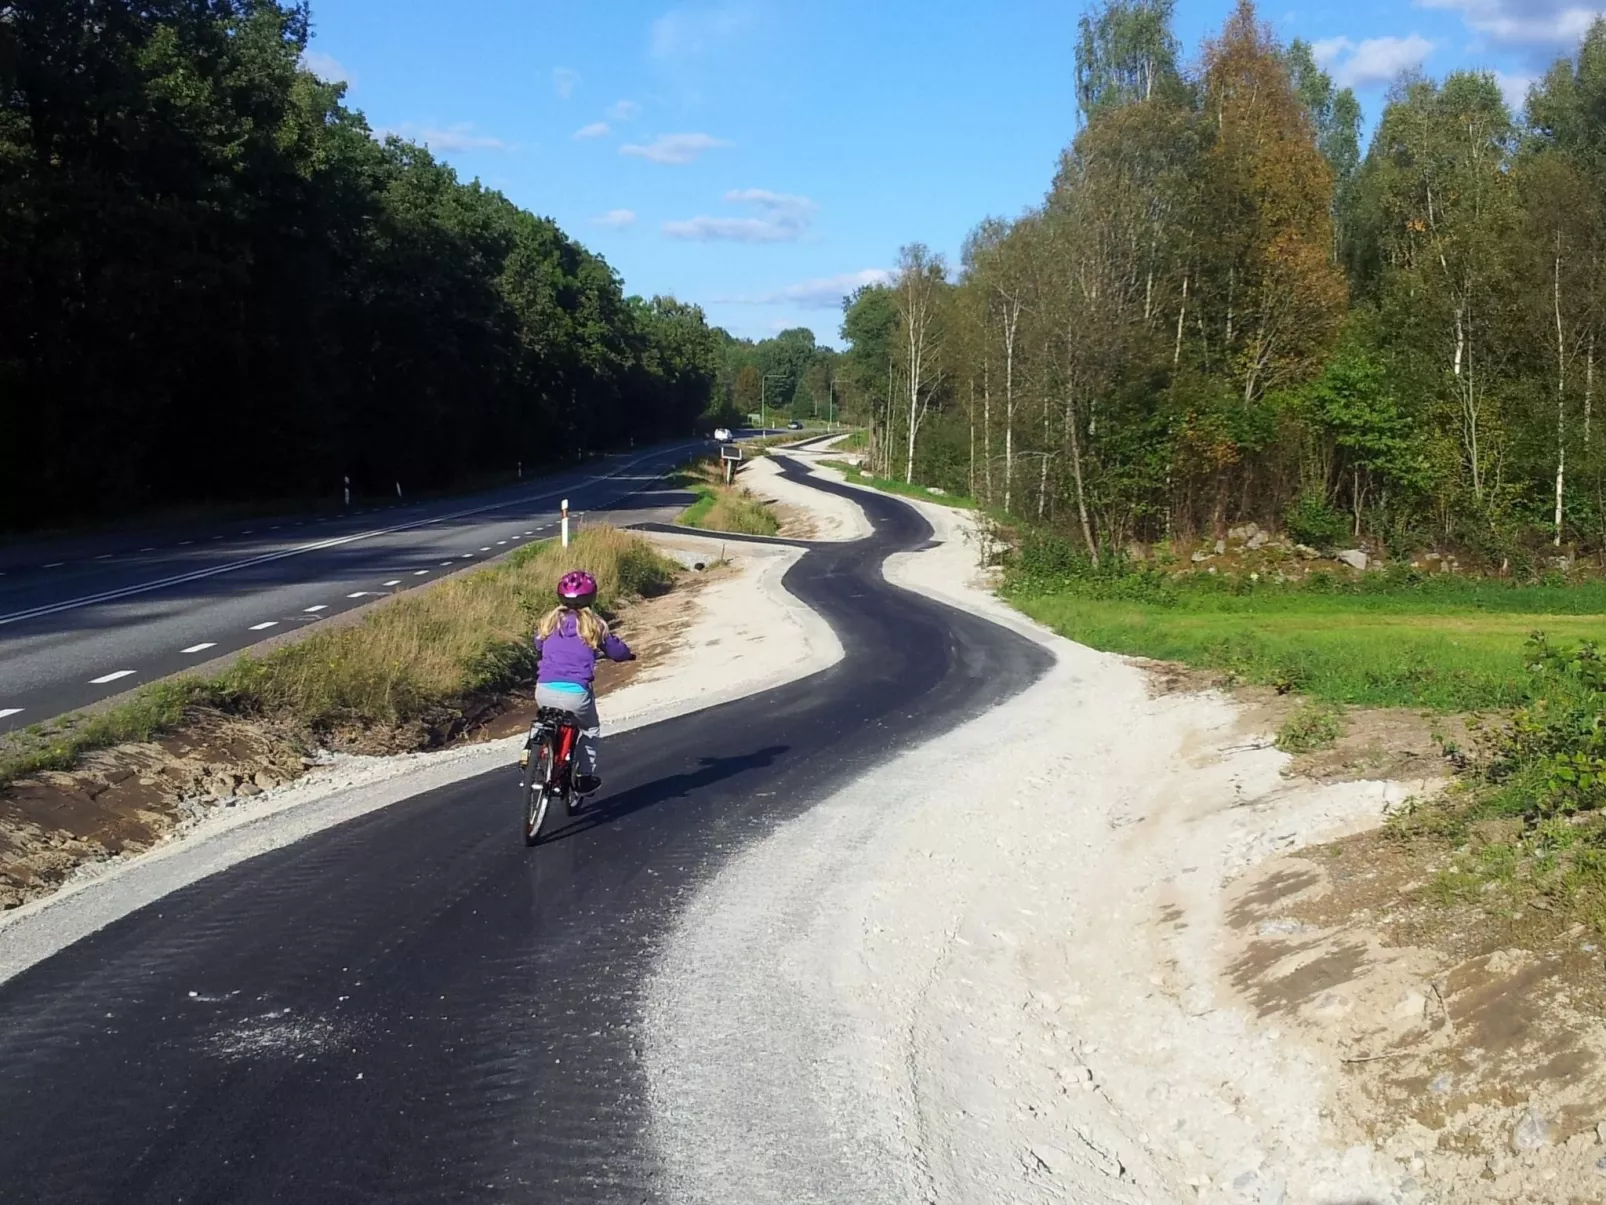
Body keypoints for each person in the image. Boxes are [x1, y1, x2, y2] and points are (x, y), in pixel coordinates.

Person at [532, 570, 635, 795]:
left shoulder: (549, 622)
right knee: (590, 729)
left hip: (544, 689)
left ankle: (532, 751)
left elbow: (538, 646)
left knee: (544, 718)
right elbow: (616, 651)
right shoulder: (594, 624)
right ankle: (584, 776)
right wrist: (628, 655)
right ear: (592, 597)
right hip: (576, 694)